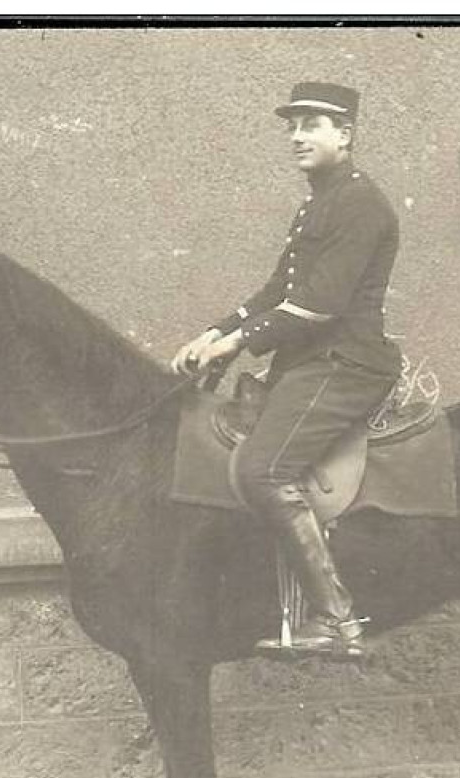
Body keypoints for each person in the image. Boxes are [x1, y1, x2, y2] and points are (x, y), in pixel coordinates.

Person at [171, 81, 402, 659]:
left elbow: (320, 302)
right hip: (310, 362)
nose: (297, 136)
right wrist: (216, 331)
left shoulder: (360, 203)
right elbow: (279, 289)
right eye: (292, 125)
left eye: (312, 124)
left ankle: (338, 623)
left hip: (345, 364)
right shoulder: (318, 200)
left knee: (264, 470)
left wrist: (238, 344)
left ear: (344, 135)